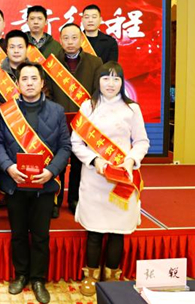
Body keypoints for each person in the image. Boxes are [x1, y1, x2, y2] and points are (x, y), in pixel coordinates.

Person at [0, 61, 71, 304]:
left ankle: (38, 279)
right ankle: (21, 275)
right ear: (17, 83)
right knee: (18, 234)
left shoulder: (57, 111)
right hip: (15, 184)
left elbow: (65, 147)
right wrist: (9, 167)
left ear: (42, 83)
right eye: (24, 79)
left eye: (34, 78)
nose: (29, 83)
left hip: (44, 185)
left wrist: (51, 171)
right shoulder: (6, 111)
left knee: (40, 236)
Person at [71, 62, 149, 296]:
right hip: (95, 178)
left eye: (116, 79)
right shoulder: (88, 106)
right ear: (98, 81)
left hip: (122, 179)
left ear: (122, 83)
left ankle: (112, 275)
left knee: (118, 231)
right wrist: (95, 160)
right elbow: (76, 143)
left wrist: (131, 160)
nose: (111, 84)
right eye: (106, 78)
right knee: (94, 231)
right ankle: (91, 275)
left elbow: (142, 141)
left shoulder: (132, 109)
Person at [48, 23, 102, 218]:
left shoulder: (95, 62)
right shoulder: (51, 63)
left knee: (80, 164)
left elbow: (98, 93)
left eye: (74, 38)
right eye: (66, 38)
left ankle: (75, 199)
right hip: (58, 122)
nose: (70, 42)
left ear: (81, 39)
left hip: (84, 122)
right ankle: (55, 200)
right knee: (58, 163)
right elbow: (47, 92)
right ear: (60, 41)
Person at [0, 30, 29, 104]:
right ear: (7, 50)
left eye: (20, 47)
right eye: (12, 47)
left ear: (26, 49)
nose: (16, 51)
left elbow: (45, 97)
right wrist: (8, 109)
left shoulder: (36, 71)